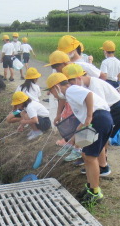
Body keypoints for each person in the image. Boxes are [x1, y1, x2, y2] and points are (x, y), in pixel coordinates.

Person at [46, 72, 112, 205]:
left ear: (57, 86)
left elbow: (89, 96)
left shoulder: (70, 90)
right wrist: (78, 130)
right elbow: (84, 111)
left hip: (99, 119)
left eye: (51, 91)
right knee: (85, 153)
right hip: (99, 119)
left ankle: (95, 192)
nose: (51, 94)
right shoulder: (70, 95)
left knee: (90, 156)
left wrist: (88, 117)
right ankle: (90, 186)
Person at [62, 63, 120, 175]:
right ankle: (99, 164)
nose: (71, 86)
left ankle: (102, 165)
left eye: (71, 83)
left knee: (99, 137)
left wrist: (88, 119)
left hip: (115, 109)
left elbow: (100, 107)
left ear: (78, 78)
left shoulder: (94, 86)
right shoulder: (85, 86)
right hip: (106, 111)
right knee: (98, 138)